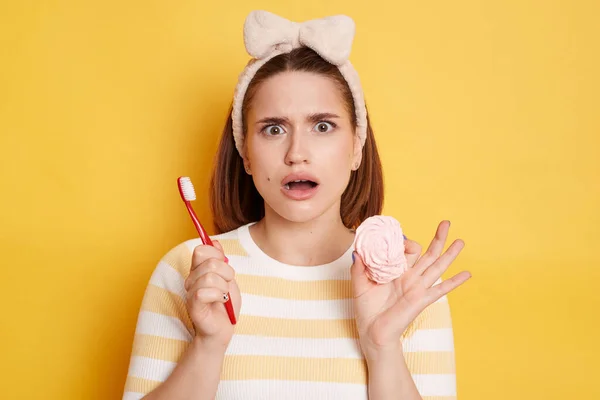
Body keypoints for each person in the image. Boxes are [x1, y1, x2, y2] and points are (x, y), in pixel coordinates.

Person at [123, 10, 471, 400]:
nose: (297, 153)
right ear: (246, 153)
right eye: (273, 129)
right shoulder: (189, 271)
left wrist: (382, 348)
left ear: (356, 146)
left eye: (322, 126)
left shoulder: (409, 284)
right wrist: (207, 348)